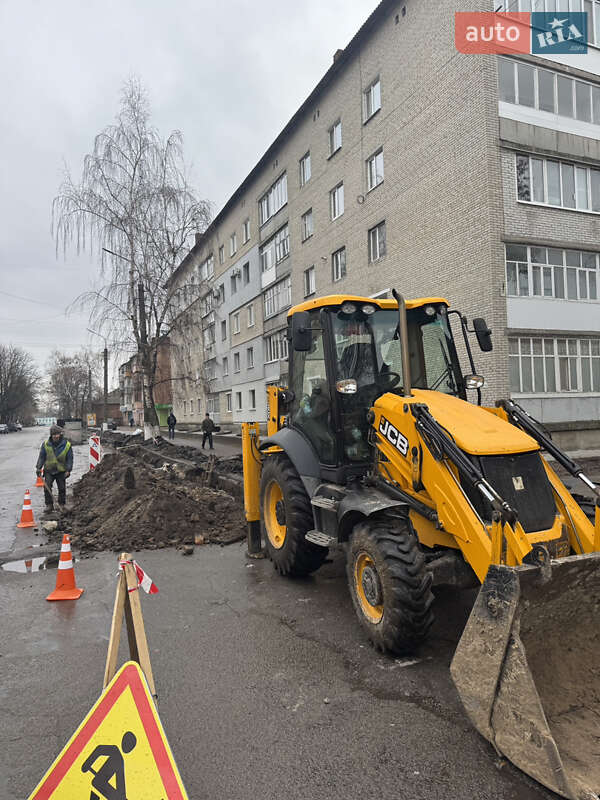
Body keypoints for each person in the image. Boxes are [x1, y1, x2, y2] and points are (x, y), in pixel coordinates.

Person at [36, 424, 73, 512]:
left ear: (60, 434)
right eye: (54, 435)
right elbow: (42, 457)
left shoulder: (66, 445)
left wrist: (68, 469)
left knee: (62, 488)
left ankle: (62, 504)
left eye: (57, 434)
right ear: (51, 435)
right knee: (47, 487)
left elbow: (69, 458)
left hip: (61, 470)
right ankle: (49, 505)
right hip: (49, 470)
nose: (56, 436)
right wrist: (38, 467)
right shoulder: (45, 444)